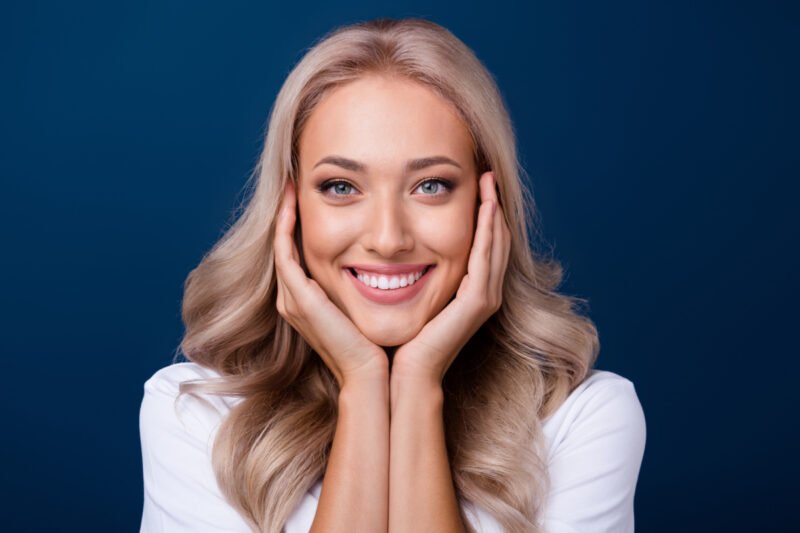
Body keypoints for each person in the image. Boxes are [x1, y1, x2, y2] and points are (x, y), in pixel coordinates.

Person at [139, 17, 646, 533]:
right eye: (341, 187)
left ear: (486, 204)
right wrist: (362, 387)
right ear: (287, 208)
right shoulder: (194, 415)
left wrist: (417, 385)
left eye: (430, 185)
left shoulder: (583, 422)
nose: (387, 238)